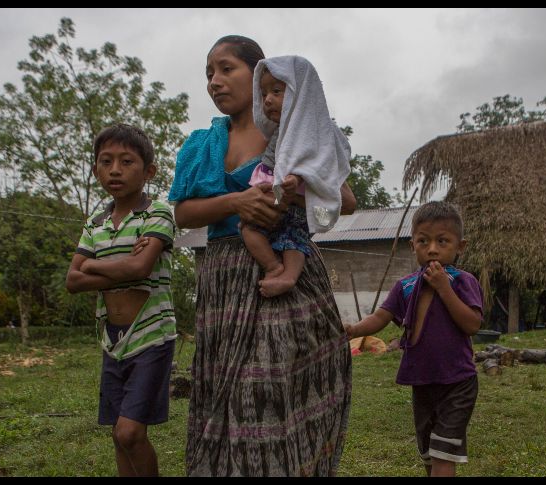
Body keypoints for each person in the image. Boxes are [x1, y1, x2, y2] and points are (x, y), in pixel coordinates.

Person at [169, 35, 356, 476]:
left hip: (287, 269)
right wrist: (237, 203)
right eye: (208, 73)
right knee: (229, 395)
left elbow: (344, 199)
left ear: (257, 75)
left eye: (226, 68)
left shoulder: (293, 129)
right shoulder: (202, 144)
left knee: (271, 389)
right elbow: (183, 212)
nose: (215, 81)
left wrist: (290, 194)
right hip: (225, 278)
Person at [65, 124, 177, 477]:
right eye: (106, 161)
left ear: (148, 172)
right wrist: (121, 265)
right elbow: (72, 280)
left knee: (130, 432)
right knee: (117, 434)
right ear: (96, 168)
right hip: (112, 341)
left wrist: (93, 264)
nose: (115, 170)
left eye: (127, 161)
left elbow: (141, 268)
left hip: (152, 337)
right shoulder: (95, 223)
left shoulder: (157, 213)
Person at [344, 201, 483, 477]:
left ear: (460, 246)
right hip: (422, 381)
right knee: (429, 454)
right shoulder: (405, 285)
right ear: (412, 245)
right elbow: (382, 316)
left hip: (457, 381)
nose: (432, 249)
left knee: (444, 454)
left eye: (442, 241)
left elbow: (472, 324)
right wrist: (354, 329)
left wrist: (444, 288)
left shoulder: (462, 281)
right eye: (423, 241)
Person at [241, 55, 351, 298]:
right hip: (272, 199)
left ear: (300, 93)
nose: (268, 99)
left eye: (277, 91)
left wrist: (296, 181)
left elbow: (311, 160)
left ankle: (289, 277)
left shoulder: (311, 131)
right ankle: (273, 266)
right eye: (263, 93)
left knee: (293, 238)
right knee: (248, 229)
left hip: (295, 201)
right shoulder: (277, 132)